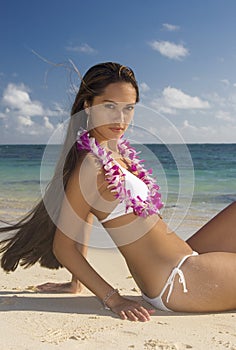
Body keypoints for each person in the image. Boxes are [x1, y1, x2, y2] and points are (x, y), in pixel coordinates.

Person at [0, 62, 236, 322]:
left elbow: (85, 219)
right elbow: (63, 246)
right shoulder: (91, 164)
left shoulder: (117, 152)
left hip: (187, 256)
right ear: (88, 105)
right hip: (178, 281)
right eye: (109, 106)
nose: (120, 119)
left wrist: (75, 283)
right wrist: (112, 299)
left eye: (129, 108)